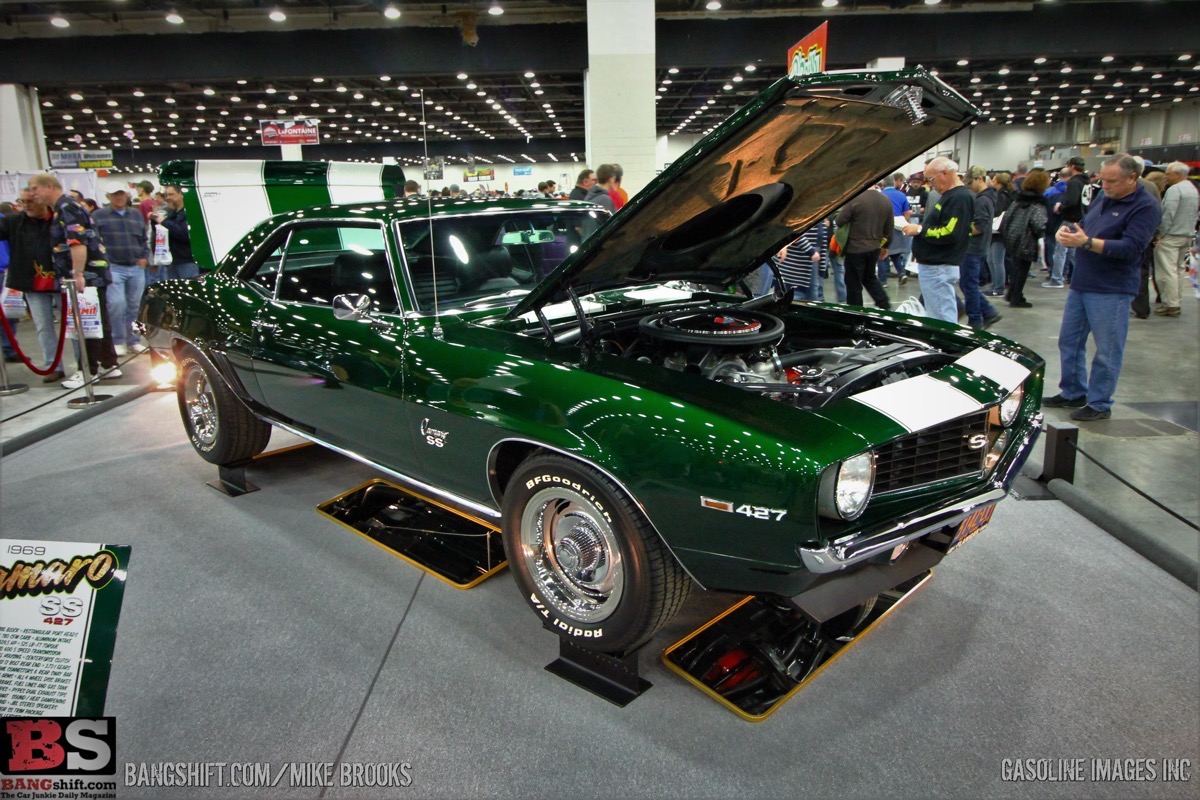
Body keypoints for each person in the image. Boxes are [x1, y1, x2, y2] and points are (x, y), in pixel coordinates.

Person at [1047, 154, 1162, 422]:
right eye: (1103, 180)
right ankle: (1073, 392)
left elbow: (1131, 247)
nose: (1106, 186)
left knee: (1107, 349)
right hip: (1083, 281)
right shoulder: (1103, 197)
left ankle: (1099, 403)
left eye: (1112, 181)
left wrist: (1086, 243)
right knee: (1069, 341)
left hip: (1112, 288)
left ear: (1132, 178)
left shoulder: (1146, 207)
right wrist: (1068, 232)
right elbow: (1085, 226)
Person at [28, 172, 120, 389]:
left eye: (35, 189)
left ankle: (88, 370)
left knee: (87, 322)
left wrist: (78, 273)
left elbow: (77, 242)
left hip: (87, 275)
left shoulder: (67, 207)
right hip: (90, 273)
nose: (33, 194)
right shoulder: (63, 208)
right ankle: (109, 363)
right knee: (99, 319)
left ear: (49, 186)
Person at [0, 188, 61, 380]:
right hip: (32, 283)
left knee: (73, 327)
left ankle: (81, 367)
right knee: (43, 326)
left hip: (62, 281)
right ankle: (53, 366)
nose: (26, 206)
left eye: (30, 201)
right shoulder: (15, 221)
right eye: (23, 201)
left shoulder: (59, 218)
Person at [902, 157, 972, 323]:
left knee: (941, 318)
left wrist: (920, 230)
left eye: (931, 179)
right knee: (938, 314)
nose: (930, 184)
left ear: (945, 173)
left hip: (938, 267)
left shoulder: (959, 198)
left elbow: (950, 232)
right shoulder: (951, 196)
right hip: (936, 267)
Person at [92, 183, 150, 355]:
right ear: (108, 197)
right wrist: (104, 262)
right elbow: (94, 241)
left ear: (126, 195)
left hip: (136, 267)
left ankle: (134, 341)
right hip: (113, 267)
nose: (118, 197)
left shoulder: (136, 215)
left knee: (135, 306)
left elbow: (144, 238)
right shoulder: (98, 216)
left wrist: (145, 257)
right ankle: (117, 340)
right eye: (114, 194)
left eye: (121, 194)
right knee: (117, 304)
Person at [998, 168, 1049, 309]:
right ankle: (1016, 297)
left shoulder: (1018, 199)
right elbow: (1039, 223)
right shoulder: (1038, 203)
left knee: (1015, 267)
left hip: (1012, 237)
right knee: (1023, 270)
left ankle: (1011, 293)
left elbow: (1007, 216)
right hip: (1027, 239)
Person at [1153, 161, 1199, 317]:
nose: (1166, 177)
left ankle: (1171, 304)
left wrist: (1160, 234)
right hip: (1187, 234)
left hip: (1171, 235)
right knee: (1178, 269)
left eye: (1168, 174)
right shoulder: (1192, 188)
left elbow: (1168, 214)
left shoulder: (1175, 190)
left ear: (1177, 174)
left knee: (1167, 271)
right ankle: (1176, 300)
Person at [835, 185, 892, 310]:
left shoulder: (855, 199)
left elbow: (839, 220)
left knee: (853, 283)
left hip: (855, 248)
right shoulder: (885, 200)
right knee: (869, 277)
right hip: (874, 247)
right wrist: (885, 246)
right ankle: (884, 304)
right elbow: (889, 228)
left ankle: (856, 311)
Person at [962, 166, 1001, 329]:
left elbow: (979, 226)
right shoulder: (988, 198)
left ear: (979, 179)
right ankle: (987, 312)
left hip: (973, 248)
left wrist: (961, 231)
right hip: (980, 247)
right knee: (968, 284)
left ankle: (976, 318)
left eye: (970, 183)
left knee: (968, 284)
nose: (969, 186)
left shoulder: (981, 200)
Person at [1048, 157, 1091, 288]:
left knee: (1060, 250)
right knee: (1073, 252)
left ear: (1072, 166)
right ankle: (1079, 277)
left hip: (1070, 219)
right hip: (1082, 218)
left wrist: (1060, 207)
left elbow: (1071, 201)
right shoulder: (1087, 182)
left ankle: (1056, 279)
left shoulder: (1074, 182)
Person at [155, 185, 200, 279]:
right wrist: (154, 221)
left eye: (171, 194)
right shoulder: (172, 213)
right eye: (167, 195)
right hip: (172, 261)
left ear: (181, 194)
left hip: (187, 261)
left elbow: (185, 234)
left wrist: (164, 222)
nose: (168, 198)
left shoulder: (191, 212)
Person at [878, 174, 911, 286]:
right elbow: (907, 213)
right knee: (895, 253)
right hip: (897, 227)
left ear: (883, 184)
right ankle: (901, 273)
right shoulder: (901, 195)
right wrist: (905, 226)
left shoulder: (880, 195)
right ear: (893, 183)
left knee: (882, 254)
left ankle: (883, 281)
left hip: (883, 228)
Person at [776, 227, 823, 301]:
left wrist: (822, 268)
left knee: (810, 295)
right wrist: (811, 251)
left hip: (809, 264)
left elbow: (821, 239)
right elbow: (794, 229)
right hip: (794, 264)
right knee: (791, 296)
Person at [987, 171, 1015, 296]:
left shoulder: (1001, 196)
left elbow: (997, 211)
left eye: (994, 180)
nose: (992, 182)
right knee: (991, 259)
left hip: (999, 232)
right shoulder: (1008, 194)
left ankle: (998, 288)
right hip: (1001, 231)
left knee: (996, 260)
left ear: (998, 182)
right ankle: (995, 285)